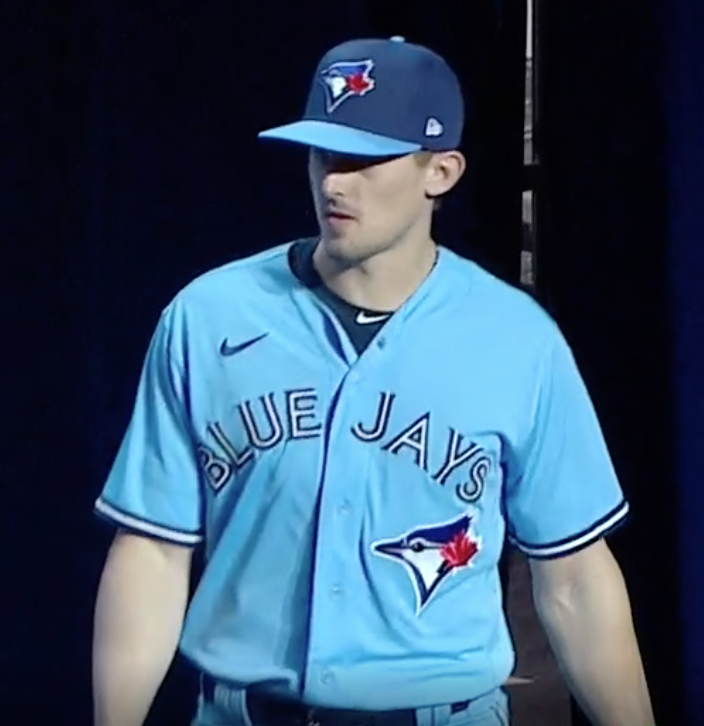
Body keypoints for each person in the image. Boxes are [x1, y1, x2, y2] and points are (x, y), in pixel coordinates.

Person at [92, 36, 655, 726]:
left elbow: (573, 578)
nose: (334, 182)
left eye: (365, 159)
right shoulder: (207, 317)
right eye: (324, 154)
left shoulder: (516, 339)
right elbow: (151, 550)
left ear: (440, 171)